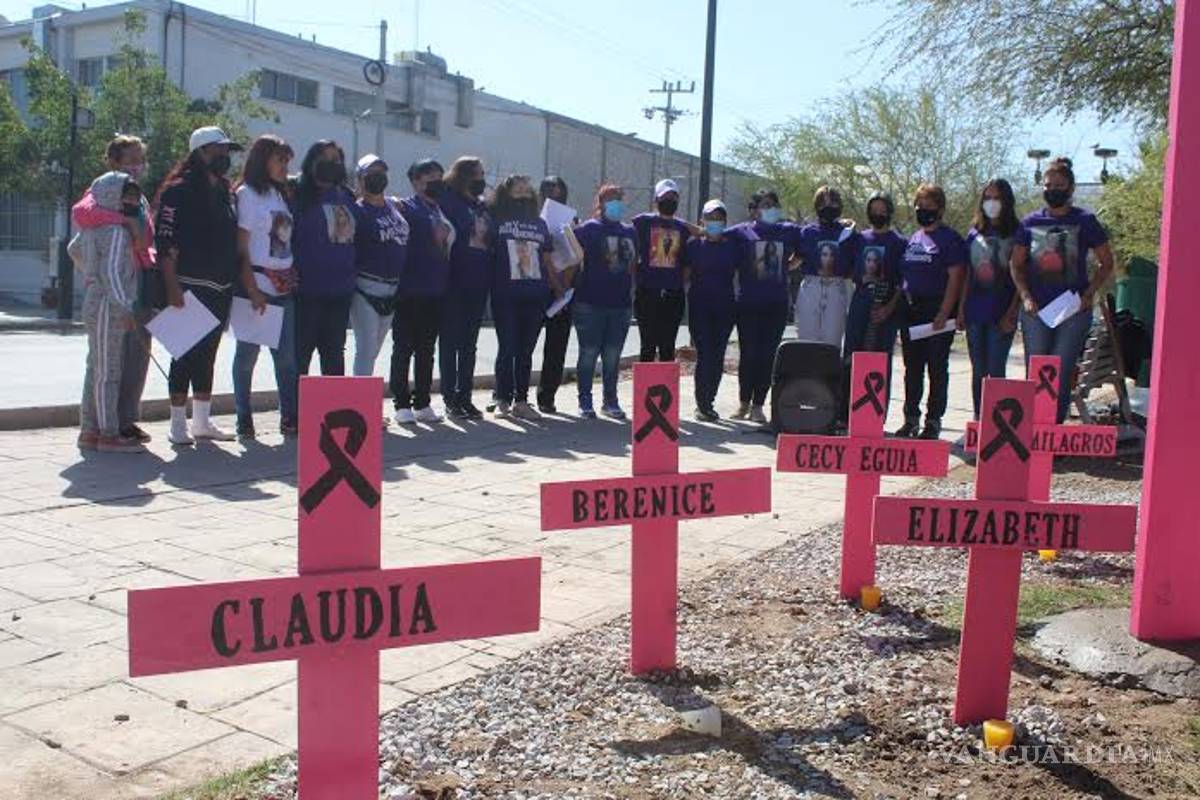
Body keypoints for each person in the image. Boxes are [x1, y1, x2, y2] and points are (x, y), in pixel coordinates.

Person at [155, 126, 242, 445]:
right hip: (188, 283)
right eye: (218, 151)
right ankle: (178, 424)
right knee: (185, 354)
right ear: (200, 153)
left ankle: (202, 422)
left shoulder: (225, 191)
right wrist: (171, 286)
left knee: (208, 354)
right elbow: (164, 240)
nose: (224, 157)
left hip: (221, 286)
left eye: (226, 152)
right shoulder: (177, 191)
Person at [1011, 157, 1115, 422]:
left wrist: (1089, 294)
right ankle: (1033, 429)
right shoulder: (1030, 222)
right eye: (1048, 185)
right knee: (1036, 372)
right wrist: (1025, 296)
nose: (1053, 189)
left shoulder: (1085, 220)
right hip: (1037, 312)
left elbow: (1106, 262)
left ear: (1070, 188)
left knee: (1061, 369)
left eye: (1059, 184)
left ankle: (1053, 431)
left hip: (1073, 310)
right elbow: (1016, 264)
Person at [73, 135, 155, 448]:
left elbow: (75, 247)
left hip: (133, 283)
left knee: (122, 361)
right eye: (131, 160)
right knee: (106, 365)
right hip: (117, 291)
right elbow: (82, 218)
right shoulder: (105, 195)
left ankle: (116, 423)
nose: (137, 167)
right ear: (114, 163)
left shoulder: (135, 198)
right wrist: (101, 279)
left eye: (141, 159)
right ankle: (102, 429)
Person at [230, 134, 298, 439]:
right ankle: (244, 418)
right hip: (256, 284)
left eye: (287, 161)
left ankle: (290, 417)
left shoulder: (280, 196)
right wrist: (251, 289)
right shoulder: (247, 194)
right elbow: (241, 247)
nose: (285, 166)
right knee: (247, 357)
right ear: (263, 160)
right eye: (279, 159)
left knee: (286, 358)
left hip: (284, 285)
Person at [895, 183, 967, 440]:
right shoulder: (915, 238)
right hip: (911, 310)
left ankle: (933, 420)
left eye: (929, 206)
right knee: (912, 368)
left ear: (941, 209)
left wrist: (944, 312)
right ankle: (910, 419)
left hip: (937, 311)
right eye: (920, 206)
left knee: (936, 367)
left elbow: (956, 278)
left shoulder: (950, 240)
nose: (923, 211)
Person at [392, 158, 454, 425]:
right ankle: (401, 403)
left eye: (439, 176)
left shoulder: (441, 211)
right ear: (416, 181)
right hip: (409, 289)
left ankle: (423, 402)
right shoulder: (406, 207)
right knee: (404, 347)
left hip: (436, 290)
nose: (435, 182)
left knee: (427, 349)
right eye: (429, 177)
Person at [726, 188, 795, 424]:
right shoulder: (742, 232)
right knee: (748, 354)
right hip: (748, 304)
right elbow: (714, 234)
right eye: (764, 205)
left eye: (773, 205)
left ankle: (758, 405)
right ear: (754, 210)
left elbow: (809, 242)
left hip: (776, 304)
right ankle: (743, 402)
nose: (769, 209)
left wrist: (789, 266)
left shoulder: (787, 231)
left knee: (767, 355)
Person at [490, 175, 554, 420]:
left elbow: (547, 260)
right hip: (505, 294)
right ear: (507, 193)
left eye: (528, 190)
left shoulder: (540, 224)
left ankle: (522, 401)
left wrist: (555, 290)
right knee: (507, 347)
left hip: (535, 294)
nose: (524, 193)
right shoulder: (497, 220)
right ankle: (502, 399)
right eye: (518, 189)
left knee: (526, 351)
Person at [572, 184, 637, 419]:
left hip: (620, 305)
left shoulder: (630, 232)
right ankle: (585, 401)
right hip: (590, 302)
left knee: (612, 355)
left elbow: (633, 265)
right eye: (611, 199)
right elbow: (569, 253)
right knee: (588, 352)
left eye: (619, 198)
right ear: (600, 202)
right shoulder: (589, 229)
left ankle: (610, 401)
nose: (616, 203)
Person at [293, 140, 357, 378]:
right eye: (325, 159)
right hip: (306, 291)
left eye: (336, 160)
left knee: (334, 356)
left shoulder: (347, 196)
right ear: (312, 162)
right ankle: (296, 413)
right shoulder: (296, 193)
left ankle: (332, 412)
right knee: (300, 355)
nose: (332, 164)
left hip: (340, 291)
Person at [958, 179, 1021, 420]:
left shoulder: (1017, 232)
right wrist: (962, 308)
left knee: (995, 371)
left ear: (1006, 201)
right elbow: (968, 273)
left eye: (996, 198)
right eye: (987, 198)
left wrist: (1012, 312)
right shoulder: (974, 232)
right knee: (978, 372)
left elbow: (1020, 276)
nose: (991, 203)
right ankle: (979, 422)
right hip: (975, 311)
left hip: (1001, 313)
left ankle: (997, 424)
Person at [842, 192, 904, 417]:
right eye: (873, 209)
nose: (878, 214)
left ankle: (874, 414)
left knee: (880, 357)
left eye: (882, 210)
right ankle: (845, 412)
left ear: (889, 211)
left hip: (886, 304)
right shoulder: (860, 239)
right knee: (852, 353)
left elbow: (902, 282)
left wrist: (889, 308)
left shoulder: (898, 242)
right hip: (860, 300)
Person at [438, 156, 490, 419]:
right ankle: (450, 397)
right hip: (453, 281)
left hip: (478, 282)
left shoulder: (482, 206)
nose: (482, 180)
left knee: (469, 344)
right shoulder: (448, 201)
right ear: (464, 176)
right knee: (450, 342)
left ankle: (465, 396)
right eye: (478, 174)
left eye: (483, 174)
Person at [350, 154, 408, 379]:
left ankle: (361, 402)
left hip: (392, 287)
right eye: (371, 174)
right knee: (365, 349)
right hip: (366, 285)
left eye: (381, 173)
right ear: (360, 179)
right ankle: (360, 406)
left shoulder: (393, 208)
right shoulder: (358, 210)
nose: (378, 178)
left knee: (373, 351)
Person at [686, 199, 741, 421]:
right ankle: (702, 403)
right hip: (700, 307)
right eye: (711, 218)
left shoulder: (732, 246)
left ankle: (710, 400)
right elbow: (686, 274)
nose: (715, 223)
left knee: (717, 355)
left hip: (725, 307)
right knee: (704, 354)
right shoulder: (693, 246)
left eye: (719, 219)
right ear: (703, 221)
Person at [632, 178, 691, 362]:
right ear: (656, 200)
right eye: (665, 196)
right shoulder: (643, 222)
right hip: (647, 293)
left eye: (673, 196)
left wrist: (680, 282)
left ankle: (666, 389)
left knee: (667, 348)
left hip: (673, 295)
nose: (669, 200)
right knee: (647, 346)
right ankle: (645, 390)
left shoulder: (683, 228)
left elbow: (697, 235)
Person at [793, 186, 858, 348]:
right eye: (823, 204)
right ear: (816, 206)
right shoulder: (807, 232)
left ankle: (830, 373)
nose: (828, 208)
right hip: (811, 286)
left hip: (837, 287)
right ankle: (807, 373)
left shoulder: (848, 232)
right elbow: (796, 259)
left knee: (832, 342)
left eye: (833, 203)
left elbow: (853, 265)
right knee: (806, 340)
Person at [536, 175, 577, 413]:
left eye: (559, 191)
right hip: (536, 289)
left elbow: (575, 256)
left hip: (562, 292)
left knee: (556, 347)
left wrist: (563, 288)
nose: (555, 195)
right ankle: (509, 394)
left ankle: (546, 396)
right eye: (550, 191)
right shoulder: (532, 218)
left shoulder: (572, 219)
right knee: (522, 346)